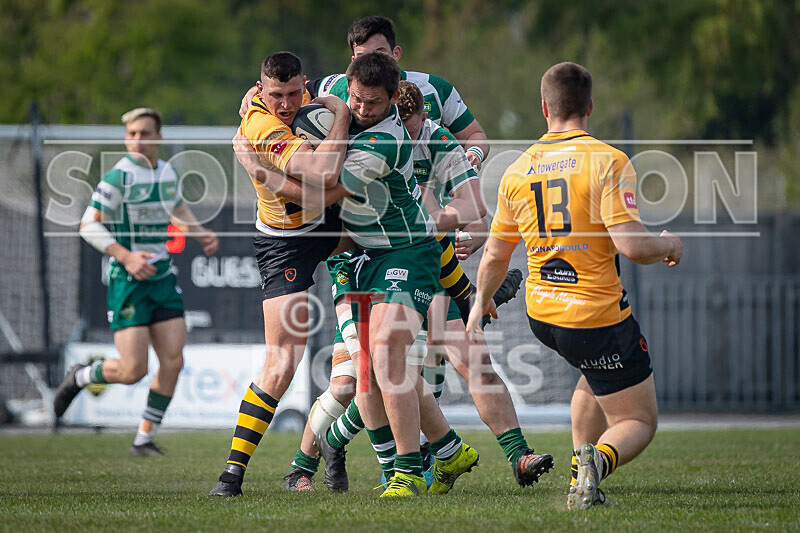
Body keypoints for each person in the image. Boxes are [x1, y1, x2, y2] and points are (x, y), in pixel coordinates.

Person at [466, 62, 683, 510]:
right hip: (595, 315)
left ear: (544, 107)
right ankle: (596, 463)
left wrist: (478, 306)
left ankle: (578, 476)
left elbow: (494, 254)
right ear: (590, 107)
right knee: (638, 420)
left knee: (594, 377)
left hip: (542, 314)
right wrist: (668, 244)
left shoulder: (518, 169)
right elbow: (630, 245)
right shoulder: (608, 160)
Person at [208, 51, 353, 497]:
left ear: (305, 84)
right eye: (276, 95)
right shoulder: (259, 124)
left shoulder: (314, 98)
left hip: (333, 224)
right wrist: (343, 120)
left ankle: (464, 294)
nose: (287, 104)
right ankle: (231, 475)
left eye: (294, 93)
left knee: (405, 234)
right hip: (286, 239)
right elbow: (322, 173)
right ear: (261, 89)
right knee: (282, 363)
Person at [54, 107, 219, 456]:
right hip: (128, 280)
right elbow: (88, 225)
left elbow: (177, 207)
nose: (138, 141)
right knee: (132, 370)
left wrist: (201, 232)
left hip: (161, 277)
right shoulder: (119, 177)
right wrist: (126, 256)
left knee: (173, 361)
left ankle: (143, 438)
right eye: (132, 135)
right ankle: (81, 375)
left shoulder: (167, 172)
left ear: (159, 138)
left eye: (145, 134)